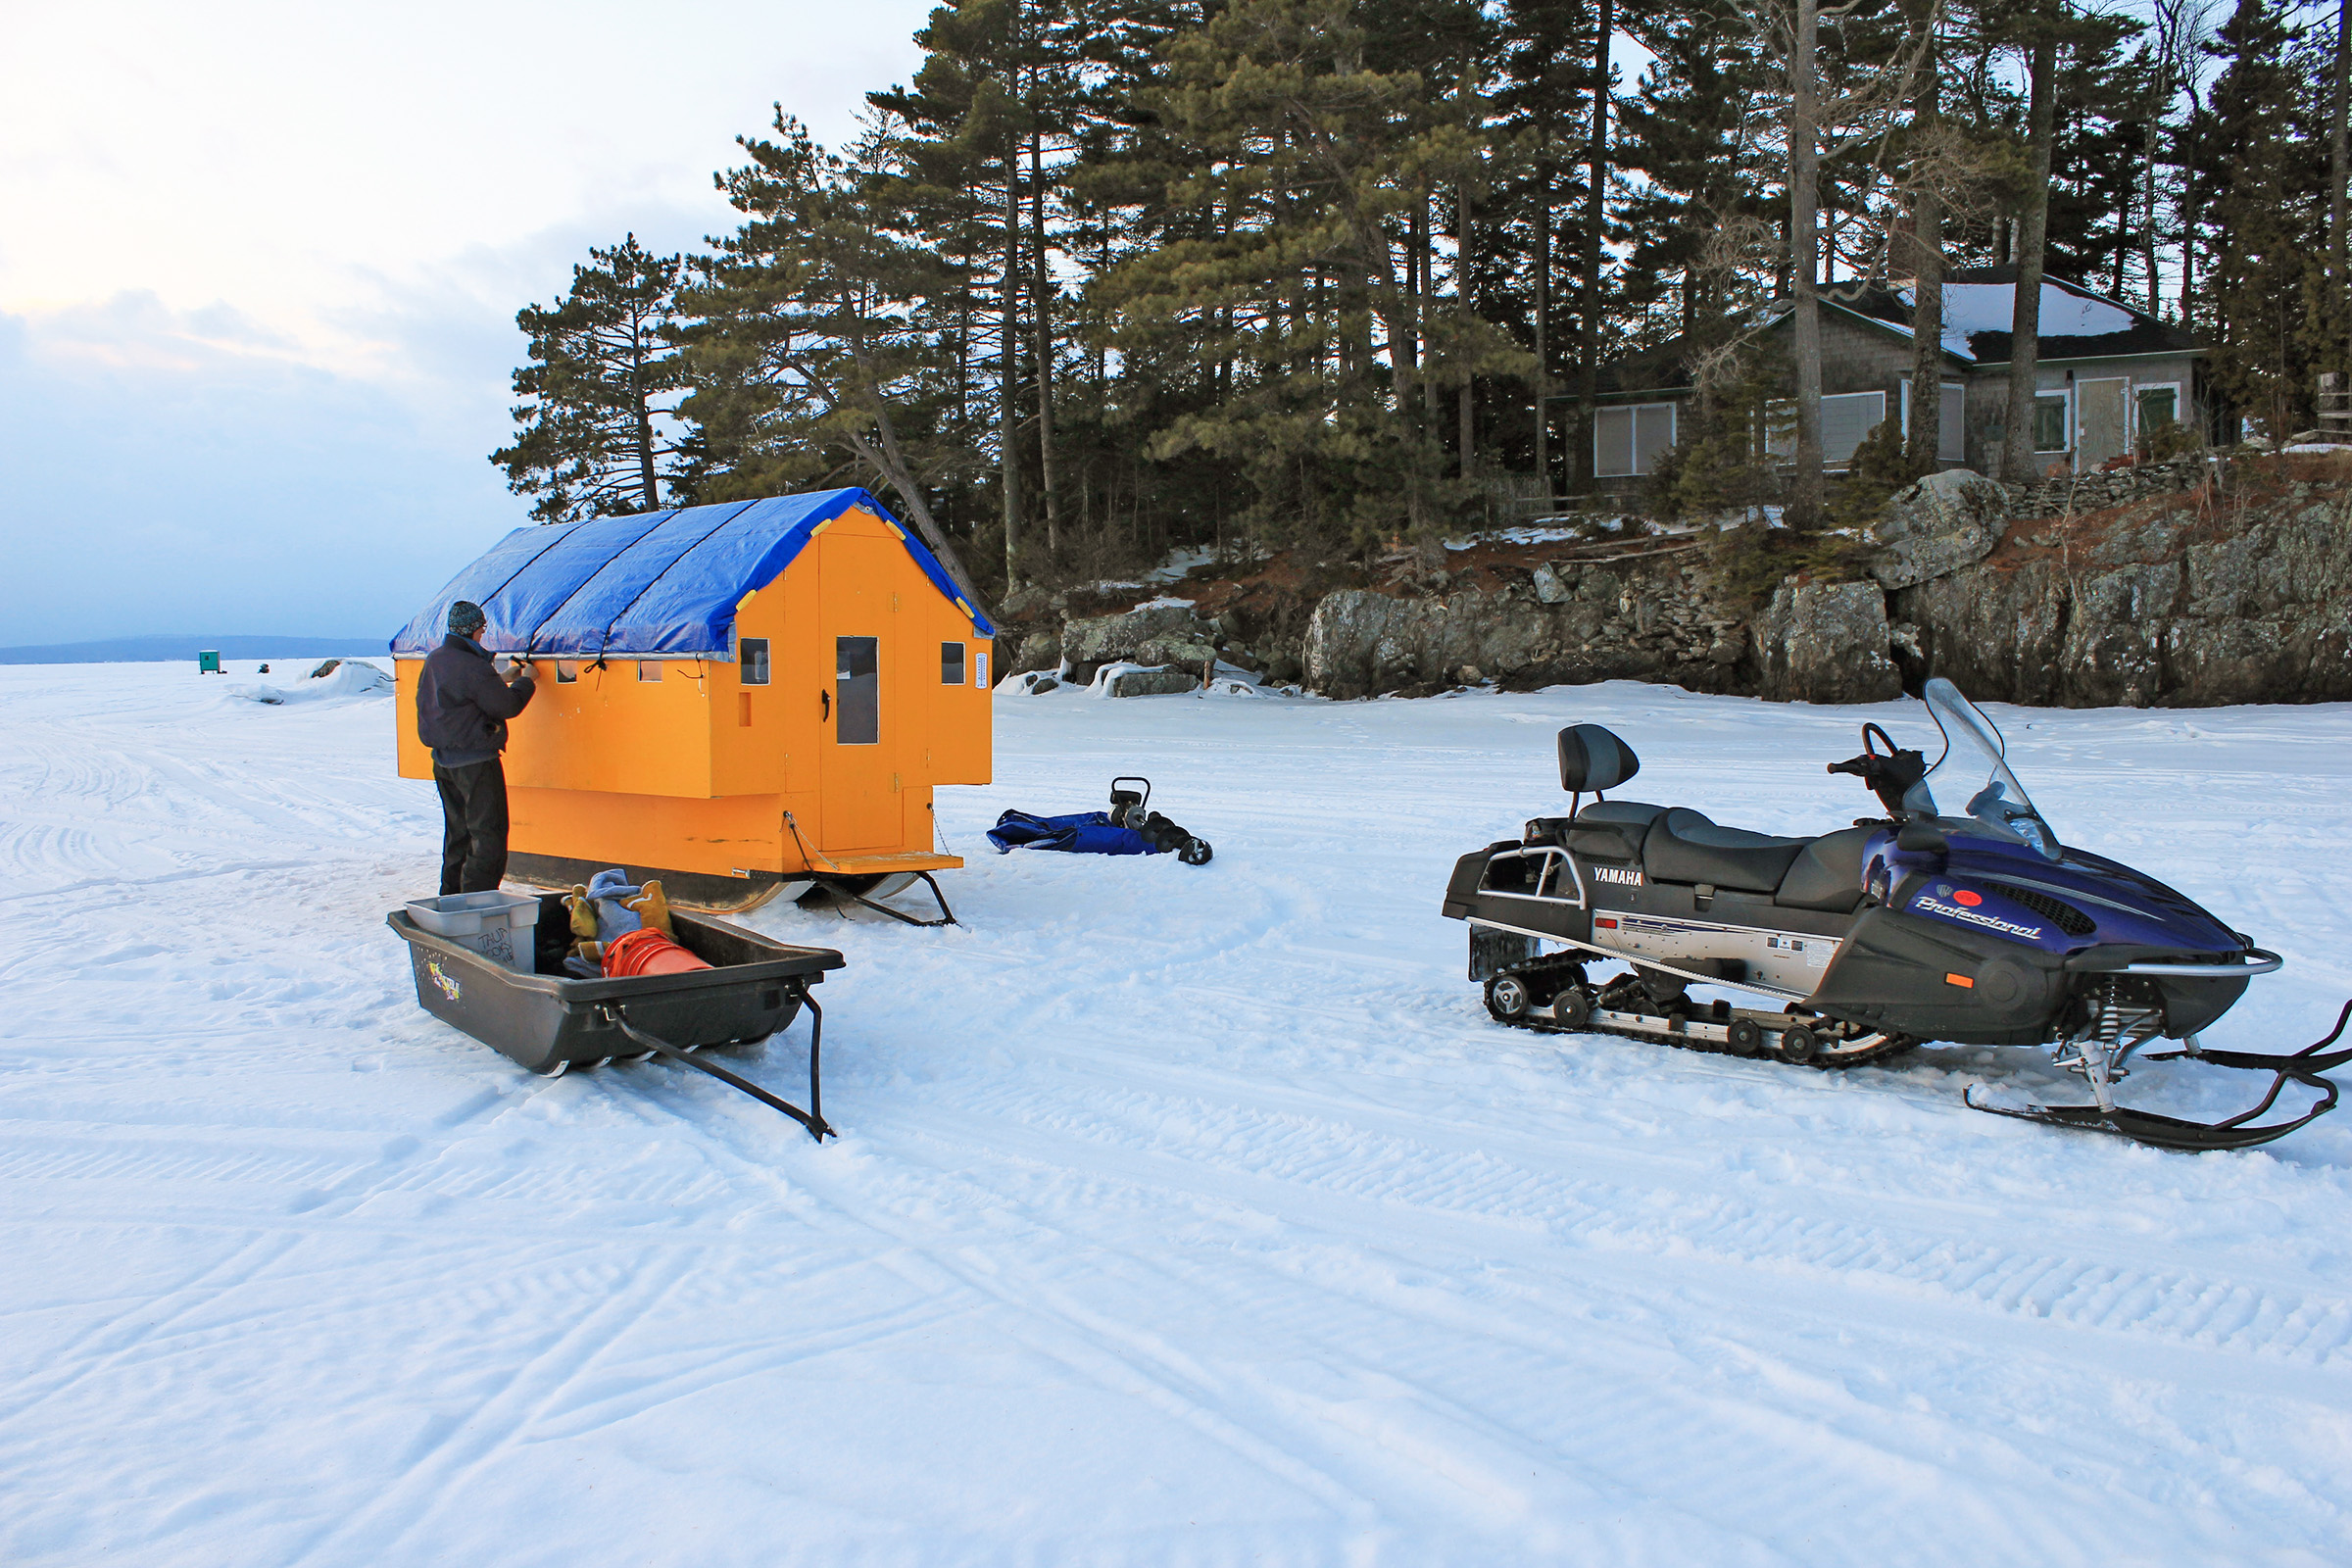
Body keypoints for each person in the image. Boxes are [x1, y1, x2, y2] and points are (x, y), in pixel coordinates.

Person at [416, 600, 536, 895]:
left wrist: (500, 679)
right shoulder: (471, 665)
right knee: (488, 835)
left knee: (459, 833)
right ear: (475, 629)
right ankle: (476, 901)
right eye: (483, 628)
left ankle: (451, 898)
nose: (484, 633)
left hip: (444, 761)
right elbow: (506, 706)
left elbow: (460, 694)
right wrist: (528, 681)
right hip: (476, 762)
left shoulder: (437, 659)